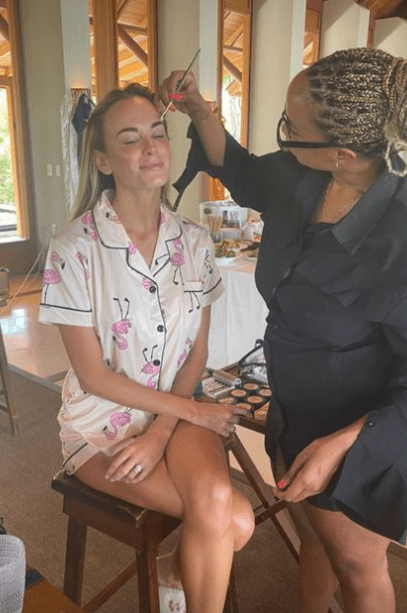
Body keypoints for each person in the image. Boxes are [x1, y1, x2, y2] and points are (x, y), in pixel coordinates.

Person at [160, 47, 407, 613]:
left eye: (290, 127)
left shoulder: (398, 235)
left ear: (343, 153)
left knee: (358, 564)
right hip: (295, 407)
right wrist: (199, 110)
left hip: (367, 426)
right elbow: (243, 170)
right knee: (319, 538)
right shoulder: (303, 174)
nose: (282, 138)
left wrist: (343, 443)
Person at [38, 82, 254, 613]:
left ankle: (175, 573)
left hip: (174, 416)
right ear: (104, 160)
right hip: (102, 422)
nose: (151, 148)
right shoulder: (74, 249)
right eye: (130, 139)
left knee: (229, 517)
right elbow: (94, 378)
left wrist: (162, 433)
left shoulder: (195, 241)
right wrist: (191, 413)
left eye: (157, 133)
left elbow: (195, 355)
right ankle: (175, 574)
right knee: (234, 520)